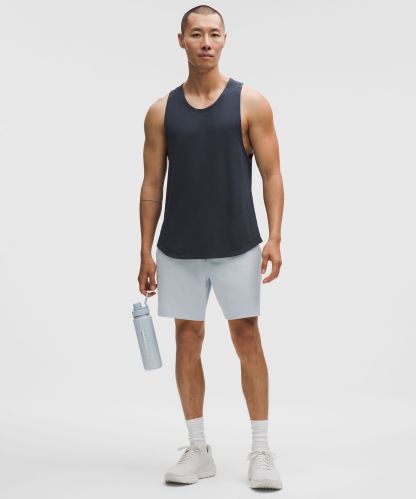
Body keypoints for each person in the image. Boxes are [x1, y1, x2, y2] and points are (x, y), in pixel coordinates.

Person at [138, 4, 284, 490]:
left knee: (247, 336)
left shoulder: (250, 103)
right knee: (187, 338)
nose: (206, 42)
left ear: (225, 40)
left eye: (214, 34)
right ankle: (198, 449)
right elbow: (151, 184)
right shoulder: (161, 111)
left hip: (237, 244)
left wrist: (275, 236)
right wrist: (145, 250)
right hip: (177, 247)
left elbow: (272, 175)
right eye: (197, 34)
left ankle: (261, 450)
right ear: (181, 40)